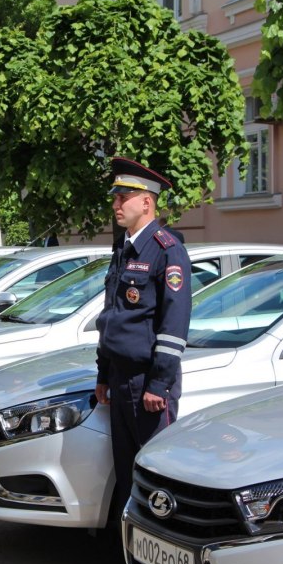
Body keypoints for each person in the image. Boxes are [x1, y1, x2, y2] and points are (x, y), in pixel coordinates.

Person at [94, 157, 192, 520]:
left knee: (156, 478)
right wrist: (103, 373)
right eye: (115, 197)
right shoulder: (123, 249)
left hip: (147, 384)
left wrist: (160, 383)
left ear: (147, 202)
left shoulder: (167, 249)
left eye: (124, 197)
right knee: (126, 475)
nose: (116, 204)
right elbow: (112, 317)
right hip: (120, 379)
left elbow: (174, 324)